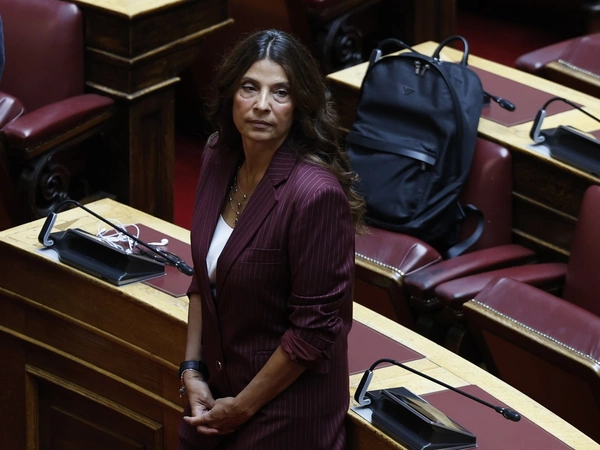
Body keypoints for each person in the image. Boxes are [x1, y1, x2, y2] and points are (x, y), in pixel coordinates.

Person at [177, 29, 365, 450]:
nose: (262, 105)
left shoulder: (314, 194)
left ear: (299, 105)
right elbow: (202, 278)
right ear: (231, 94)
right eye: (250, 88)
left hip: (287, 408)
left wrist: (242, 407)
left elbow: (312, 333)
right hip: (219, 386)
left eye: (280, 92)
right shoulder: (217, 154)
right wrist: (191, 370)